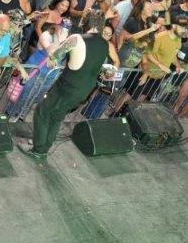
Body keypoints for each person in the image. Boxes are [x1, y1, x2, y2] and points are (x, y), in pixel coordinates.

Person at [23, 11, 119, 159]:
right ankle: (43, 148)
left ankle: (38, 149)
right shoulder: (105, 44)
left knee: (42, 112)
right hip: (85, 89)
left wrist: (60, 37)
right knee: (56, 116)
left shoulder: (76, 38)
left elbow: (55, 56)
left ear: (84, 23)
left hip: (67, 86)